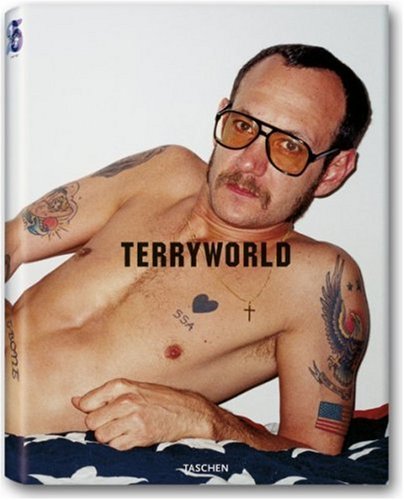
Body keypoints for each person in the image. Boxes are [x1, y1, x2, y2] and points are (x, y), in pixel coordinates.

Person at [5, 44, 372, 456]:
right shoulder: (164, 169)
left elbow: (315, 454)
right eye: (243, 126)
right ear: (222, 114)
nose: (249, 163)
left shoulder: (320, 281)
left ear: (333, 170)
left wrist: (207, 421)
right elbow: (13, 239)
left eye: (290, 146)